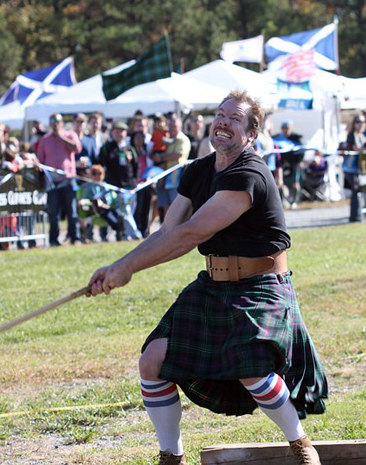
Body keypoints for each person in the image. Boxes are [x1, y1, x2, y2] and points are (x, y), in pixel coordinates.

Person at [87, 89, 327, 465]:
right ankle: (172, 456)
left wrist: (126, 269)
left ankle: (300, 443)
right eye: (220, 114)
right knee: (152, 361)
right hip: (215, 286)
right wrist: (118, 267)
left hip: (261, 285)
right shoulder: (196, 172)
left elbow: (192, 234)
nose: (223, 122)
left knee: (251, 368)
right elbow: (169, 231)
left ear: (250, 134)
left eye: (235, 118)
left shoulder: (249, 173)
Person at [36, 113, 82, 246]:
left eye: (57, 121)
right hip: (52, 182)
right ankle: (54, 240)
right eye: (52, 121)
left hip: (68, 180)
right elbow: (40, 160)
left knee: (72, 212)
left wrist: (61, 137)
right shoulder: (44, 140)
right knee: (53, 213)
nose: (55, 123)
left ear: (62, 122)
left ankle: (75, 238)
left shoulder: (70, 135)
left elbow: (77, 148)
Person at [99, 121, 142, 240]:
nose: (119, 134)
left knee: (129, 211)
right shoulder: (107, 147)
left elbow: (136, 166)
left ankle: (125, 235)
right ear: (112, 132)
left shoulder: (130, 148)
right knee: (125, 211)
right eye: (117, 131)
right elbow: (101, 165)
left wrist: (135, 181)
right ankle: (134, 234)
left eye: (122, 131)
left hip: (130, 186)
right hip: (114, 187)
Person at [152, 113, 191, 223]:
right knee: (165, 204)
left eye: (174, 126)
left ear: (180, 126)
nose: (171, 129)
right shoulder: (168, 140)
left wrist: (162, 157)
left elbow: (178, 154)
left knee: (175, 204)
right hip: (165, 175)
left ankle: (176, 226)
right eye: (170, 126)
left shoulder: (182, 139)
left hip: (176, 176)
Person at [339, 115, 366, 223]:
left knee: (357, 191)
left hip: (358, 168)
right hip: (351, 168)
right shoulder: (352, 135)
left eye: (363, 122)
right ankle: (355, 217)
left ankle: (357, 215)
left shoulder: (362, 135)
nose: (361, 124)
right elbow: (357, 148)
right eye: (358, 122)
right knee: (356, 191)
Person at [274, 120, 305, 209]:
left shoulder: (297, 138)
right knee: (281, 183)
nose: (286, 130)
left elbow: (302, 150)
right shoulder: (278, 138)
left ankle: (294, 201)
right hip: (283, 164)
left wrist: (300, 161)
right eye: (284, 128)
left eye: (288, 128)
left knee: (295, 183)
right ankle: (283, 201)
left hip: (294, 164)